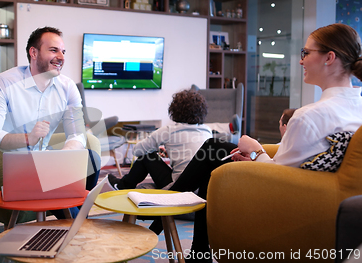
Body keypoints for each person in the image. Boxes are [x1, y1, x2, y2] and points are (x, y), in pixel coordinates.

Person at [181, 23, 362, 263]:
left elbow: (278, 178)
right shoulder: (354, 107)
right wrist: (255, 153)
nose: (301, 61)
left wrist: (255, 151)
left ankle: (165, 209)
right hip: (329, 196)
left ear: (329, 57)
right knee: (216, 149)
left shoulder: (311, 115)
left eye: (306, 53)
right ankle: (194, 247)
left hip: (293, 201)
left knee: (215, 155)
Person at [0, 27, 99, 218]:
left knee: (92, 158)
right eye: (53, 50)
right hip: (13, 162)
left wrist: (65, 156)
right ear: (33, 53)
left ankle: (75, 222)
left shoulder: (68, 87)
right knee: (67, 207)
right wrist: (27, 138)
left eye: (63, 52)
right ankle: (76, 227)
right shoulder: (5, 83)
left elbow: (76, 133)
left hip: (45, 162)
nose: (61, 57)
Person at [107, 89, 212, 190]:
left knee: (147, 155)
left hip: (178, 187)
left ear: (175, 110)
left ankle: (123, 185)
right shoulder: (207, 131)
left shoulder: (169, 130)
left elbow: (137, 151)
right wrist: (170, 151)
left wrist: (154, 150)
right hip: (200, 188)